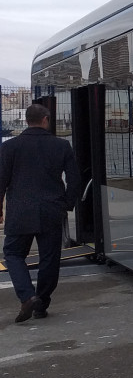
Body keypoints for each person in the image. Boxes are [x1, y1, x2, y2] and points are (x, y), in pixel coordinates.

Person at [0, 103, 81, 322]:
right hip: (51, 209)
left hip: (20, 211)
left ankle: (27, 296)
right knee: (49, 259)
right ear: (45, 120)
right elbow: (74, 180)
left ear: (27, 121)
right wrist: (65, 204)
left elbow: (1, 180)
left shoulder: (9, 147)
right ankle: (41, 303)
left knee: (13, 254)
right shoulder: (62, 146)